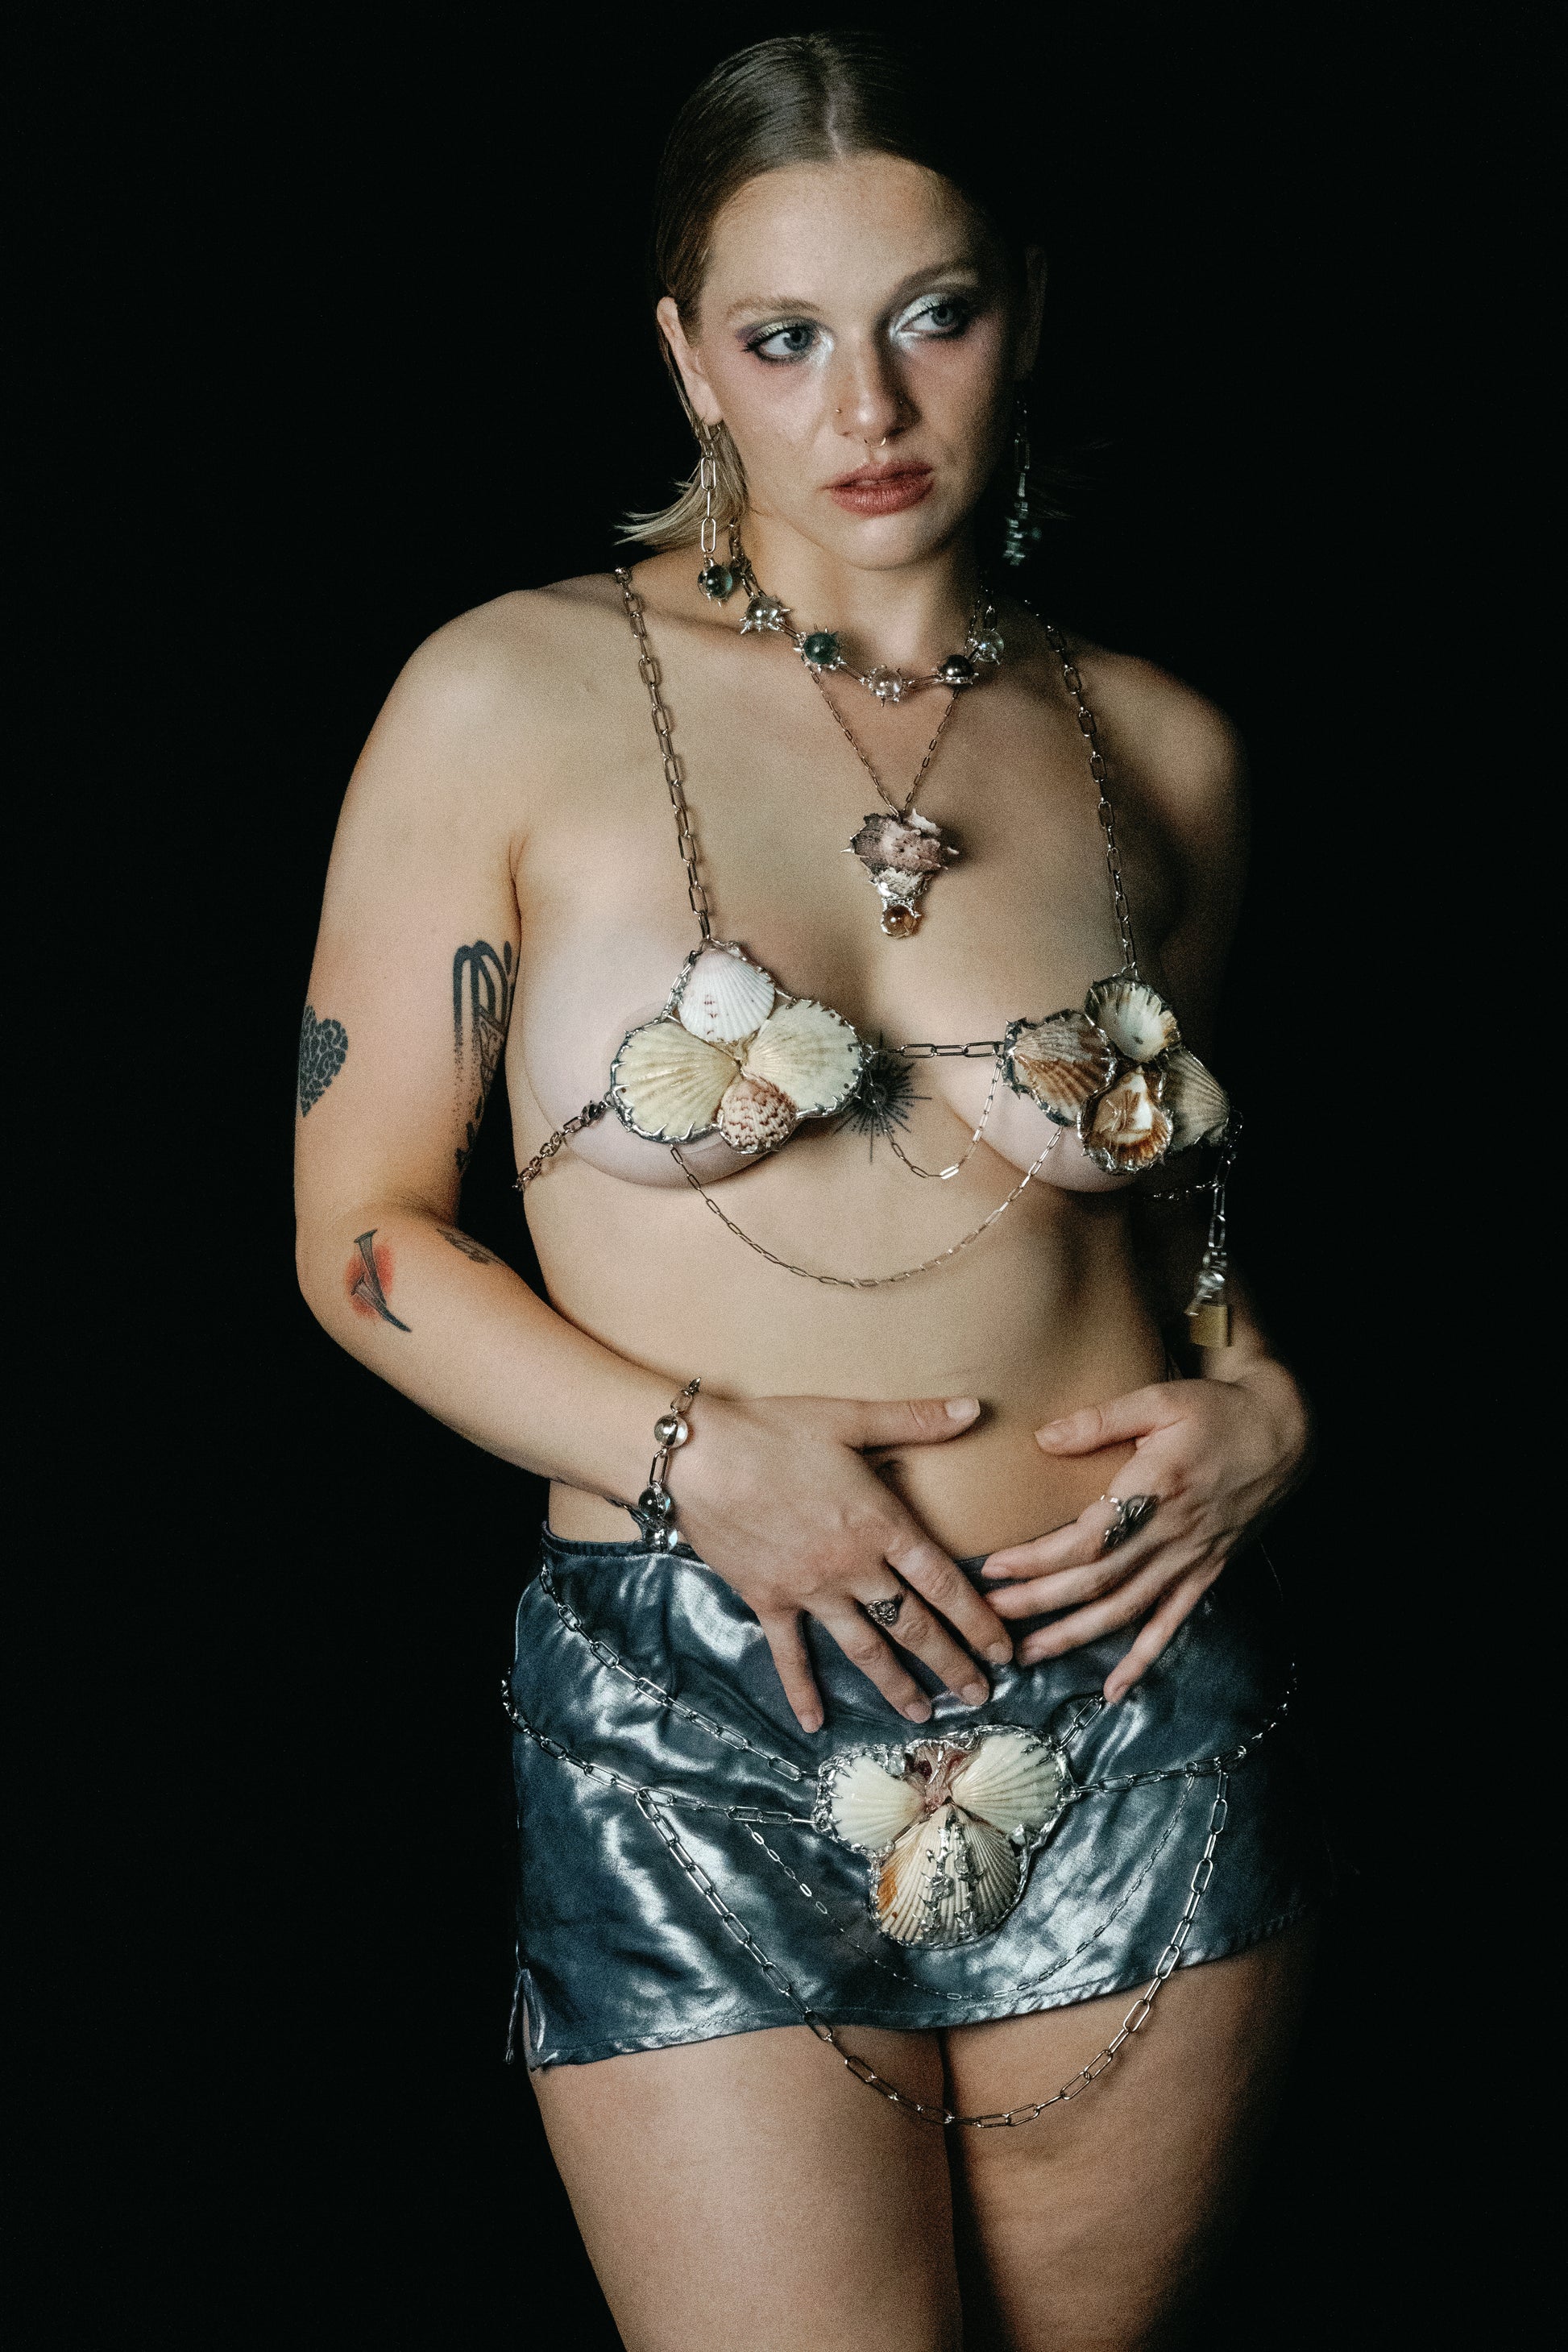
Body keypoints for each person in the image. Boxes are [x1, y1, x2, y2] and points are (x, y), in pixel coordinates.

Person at [295, 32, 1327, 2351]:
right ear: (689, 359)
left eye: (929, 316)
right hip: (692, 1694)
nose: (865, 406)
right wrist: (702, 1460)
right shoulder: (509, 693)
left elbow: (1163, 1227)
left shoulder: (1160, 749)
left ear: (1024, 314)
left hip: (1134, 1678)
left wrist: (1268, 1398)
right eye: (783, 340)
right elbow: (359, 1235)